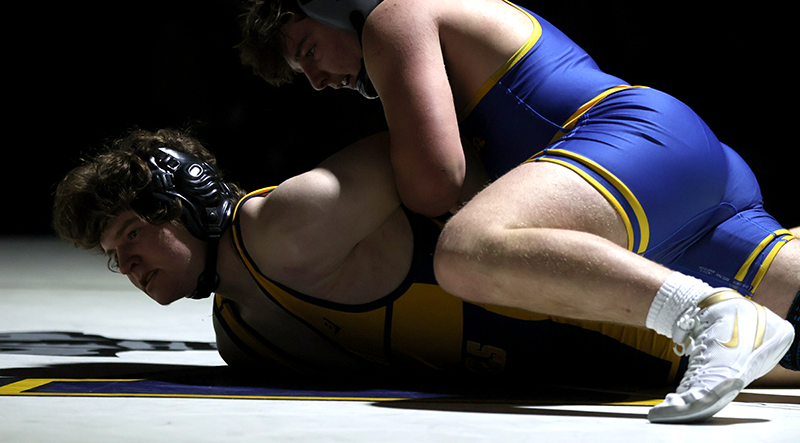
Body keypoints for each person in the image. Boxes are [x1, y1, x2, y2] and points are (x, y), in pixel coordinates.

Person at [237, 0, 800, 422]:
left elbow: (433, 185)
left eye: (308, 50)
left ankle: (705, 315)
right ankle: (723, 316)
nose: (317, 81)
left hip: (632, 142)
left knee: (466, 251)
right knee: (788, 331)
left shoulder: (396, 16)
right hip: (668, 175)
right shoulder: (438, 22)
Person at [52, 128, 795, 396]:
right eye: (115, 257)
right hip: (578, 354)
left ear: (185, 203)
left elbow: (454, 148)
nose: (130, 265)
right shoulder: (238, 331)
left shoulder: (291, 221)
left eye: (131, 235)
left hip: (616, 284)